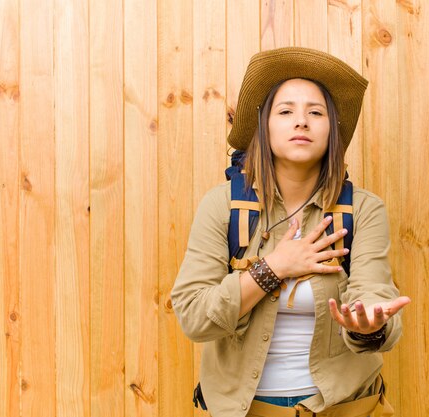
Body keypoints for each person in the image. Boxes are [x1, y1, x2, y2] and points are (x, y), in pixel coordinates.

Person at [171, 47, 411, 417]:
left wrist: (369, 326)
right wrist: (274, 267)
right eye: (286, 112)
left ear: (332, 129)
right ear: (263, 127)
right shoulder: (222, 206)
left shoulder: (364, 210)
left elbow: (373, 293)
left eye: (315, 112)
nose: (301, 122)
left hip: (347, 408)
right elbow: (193, 316)